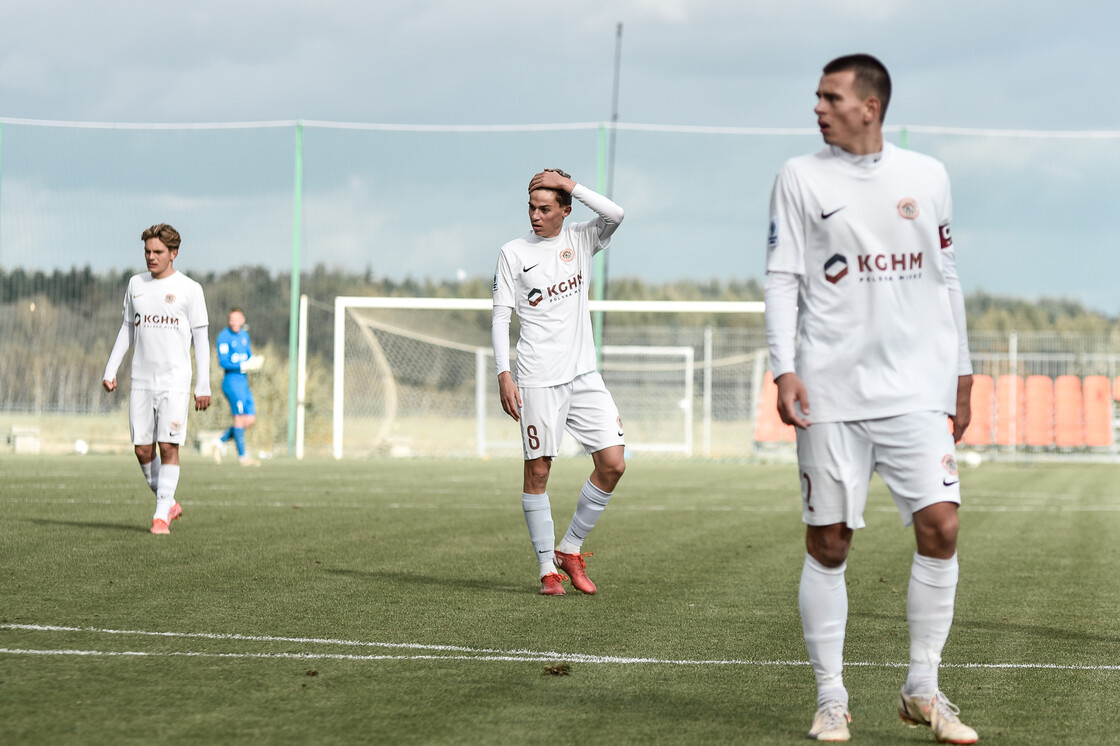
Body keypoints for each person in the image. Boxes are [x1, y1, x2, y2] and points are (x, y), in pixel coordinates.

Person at [764, 54, 977, 743]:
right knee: (830, 543)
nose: (818, 108)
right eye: (817, 96)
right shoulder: (799, 177)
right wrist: (783, 367)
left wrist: (962, 372)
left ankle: (923, 689)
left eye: (830, 97)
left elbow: (946, 275)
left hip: (916, 388)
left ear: (870, 106)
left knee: (941, 525)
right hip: (829, 389)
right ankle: (831, 698)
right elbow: (782, 277)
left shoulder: (928, 176)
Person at [492, 168, 626, 596]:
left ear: (565, 210)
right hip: (537, 378)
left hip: (584, 374)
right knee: (539, 472)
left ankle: (571, 549)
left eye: (546, 208)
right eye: (531, 207)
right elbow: (500, 317)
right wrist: (503, 372)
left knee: (613, 463)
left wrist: (572, 185)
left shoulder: (581, 239)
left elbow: (616, 213)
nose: (535, 215)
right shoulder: (512, 253)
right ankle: (548, 569)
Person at [102, 223, 211, 535]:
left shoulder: (191, 290)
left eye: (158, 252)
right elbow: (127, 329)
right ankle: (169, 502)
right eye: (147, 251)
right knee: (142, 450)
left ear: (173, 253)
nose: (151, 257)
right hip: (141, 381)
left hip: (175, 382)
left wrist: (202, 384)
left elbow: (201, 340)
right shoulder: (136, 284)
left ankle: (161, 514)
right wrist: (111, 369)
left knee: (168, 446)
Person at [215, 307, 263, 466]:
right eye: (232, 319)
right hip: (231, 382)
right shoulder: (223, 337)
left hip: (243, 383)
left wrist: (254, 362)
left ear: (242, 320)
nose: (234, 322)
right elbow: (223, 362)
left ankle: (219, 441)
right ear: (229, 320)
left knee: (249, 419)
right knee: (239, 419)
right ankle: (243, 457)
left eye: (237, 319)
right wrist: (242, 365)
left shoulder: (244, 336)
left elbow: (248, 356)